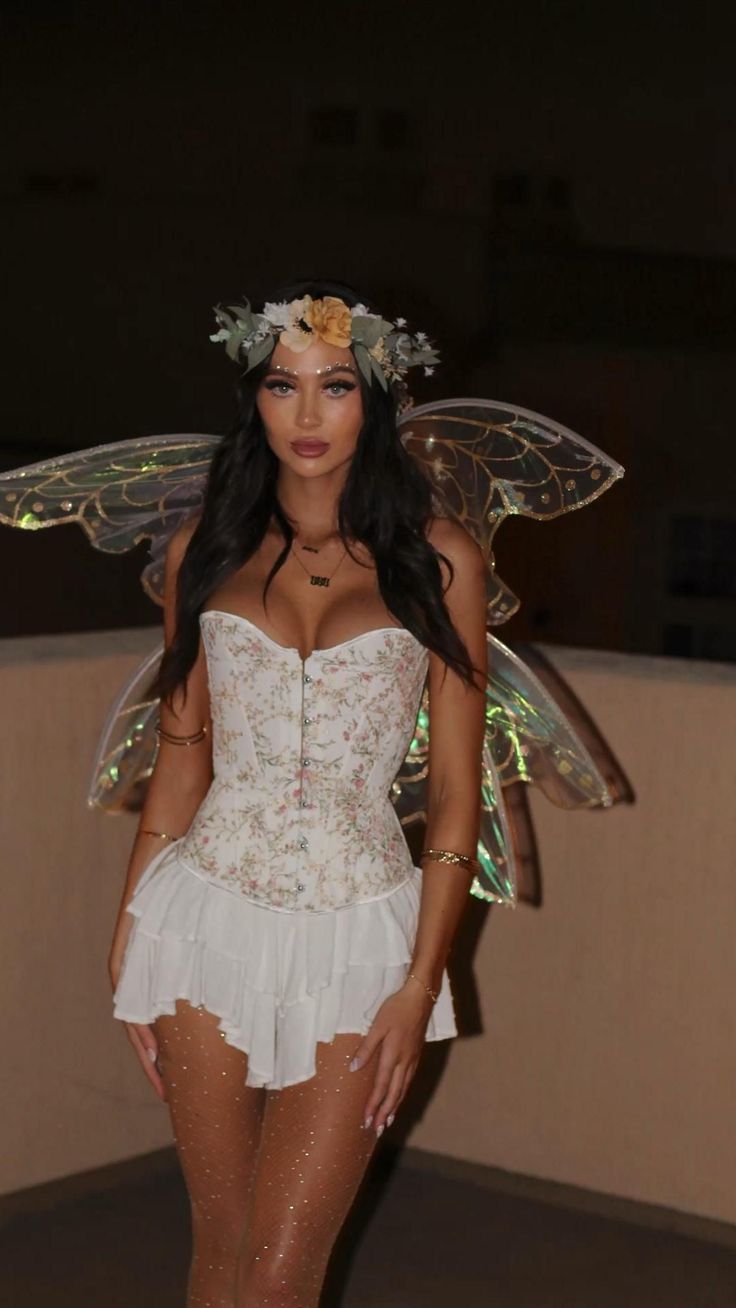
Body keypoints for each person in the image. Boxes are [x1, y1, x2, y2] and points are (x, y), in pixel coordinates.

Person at [108, 279, 488, 1307]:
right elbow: (183, 752)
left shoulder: (441, 560)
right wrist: (128, 929)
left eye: (334, 386)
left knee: (283, 1271)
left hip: (358, 938)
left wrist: (419, 982)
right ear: (255, 400)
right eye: (282, 386)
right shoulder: (203, 554)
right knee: (223, 1250)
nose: (308, 416)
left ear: (375, 397)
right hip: (200, 921)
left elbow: (456, 794)